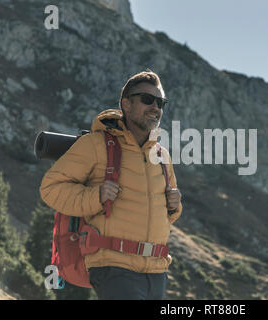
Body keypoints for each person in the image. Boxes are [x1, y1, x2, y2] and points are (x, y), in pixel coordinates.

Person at [40, 70, 183, 300]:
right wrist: (97, 196)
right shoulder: (96, 144)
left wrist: (174, 206)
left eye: (160, 102)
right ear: (126, 104)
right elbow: (51, 188)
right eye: (147, 100)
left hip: (157, 272)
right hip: (113, 266)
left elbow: (166, 215)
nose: (155, 107)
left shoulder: (162, 155)